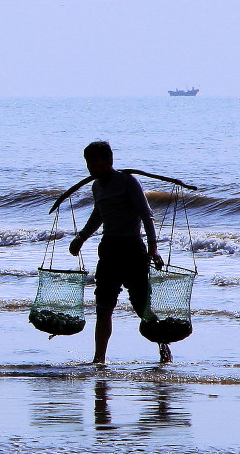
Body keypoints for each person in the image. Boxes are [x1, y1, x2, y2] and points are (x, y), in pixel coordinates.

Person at [68, 141, 170, 363]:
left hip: (132, 249)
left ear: (109, 161)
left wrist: (153, 248)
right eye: (88, 163)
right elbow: (98, 214)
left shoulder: (128, 182)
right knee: (103, 307)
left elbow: (147, 215)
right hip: (109, 250)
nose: (92, 168)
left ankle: (163, 345)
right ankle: (99, 359)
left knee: (141, 306)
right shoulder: (97, 187)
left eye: (96, 162)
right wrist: (81, 237)